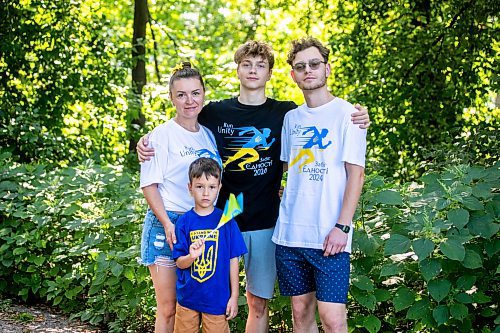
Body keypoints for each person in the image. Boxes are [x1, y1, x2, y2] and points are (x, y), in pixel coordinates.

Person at [137, 41, 370, 333]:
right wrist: (145, 143)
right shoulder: (215, 112)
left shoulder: (286, 113)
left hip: (266, 223)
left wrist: (360, 117)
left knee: (258, 305)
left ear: (271, 74)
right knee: (202, 303)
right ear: (237, 70)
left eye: (261, 65)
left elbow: (310, 138)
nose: (253, 70)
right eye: (246, 64)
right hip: (219, 223)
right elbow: (183, 121)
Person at [272, 37, 367, 333]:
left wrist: (343, 227)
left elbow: (357, 175)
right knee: (300, 314)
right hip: (290, 234)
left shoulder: (349, 115)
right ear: (293, 75)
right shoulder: (291, 119)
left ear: (327, 69)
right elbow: (286, 168)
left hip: (330, 235)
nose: (308, 70)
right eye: (300, 66)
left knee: (333, 320)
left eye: (314, 64)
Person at [138, 62, 220, 333]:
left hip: (202, 226)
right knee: (169, 307)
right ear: (171, 98)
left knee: (192, 307)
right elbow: (149, 185)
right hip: (168, 226)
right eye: (181, 94)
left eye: (195, 93)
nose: (189, 100)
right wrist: (168, 223)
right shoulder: (162, 135)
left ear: (204, 94)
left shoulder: (208, 135)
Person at [172, 157, 247, 333]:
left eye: (211, 187)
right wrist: (191, 256)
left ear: (219, 188)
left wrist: (234, 296)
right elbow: (179, 263)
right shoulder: (183, 223)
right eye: (199, 187)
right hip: (188, 298)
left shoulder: (226, 221)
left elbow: (233, 260)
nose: (206, 193)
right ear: (190, 188)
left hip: (216, 299)